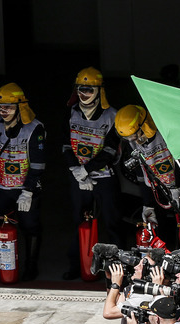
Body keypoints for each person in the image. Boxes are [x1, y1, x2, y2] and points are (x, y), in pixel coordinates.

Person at [0, 83, 46, 282]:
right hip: (1, 187)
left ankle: (31, 267)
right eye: (0, 107)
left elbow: (38, 164)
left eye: (8, 107)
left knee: (30, 227)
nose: (3, 112)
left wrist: (28, 190)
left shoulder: (35, 128)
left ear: (20, 107)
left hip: (25, 189)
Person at [62, 67, 122, 280]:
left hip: (105, 178)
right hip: (79, 178)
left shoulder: (112, 115)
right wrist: (76, 172)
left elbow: (110, 150)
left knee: (112, 222)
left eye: (88, 90)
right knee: (79, 222)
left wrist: (86, 170)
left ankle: (117, 269)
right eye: (80, 89)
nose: (83, 94)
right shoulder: (71, 111)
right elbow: (66, 145)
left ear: (99, 91)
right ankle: (77, 266)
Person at [114, 105, 180, 246]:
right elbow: (141, 173)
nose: (132, 140)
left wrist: (179, 187)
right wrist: (147, 205)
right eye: (128, 138)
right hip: (156, 190)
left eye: (134, 135)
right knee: (161, 230)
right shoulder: (132, 143)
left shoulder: (164, 131)